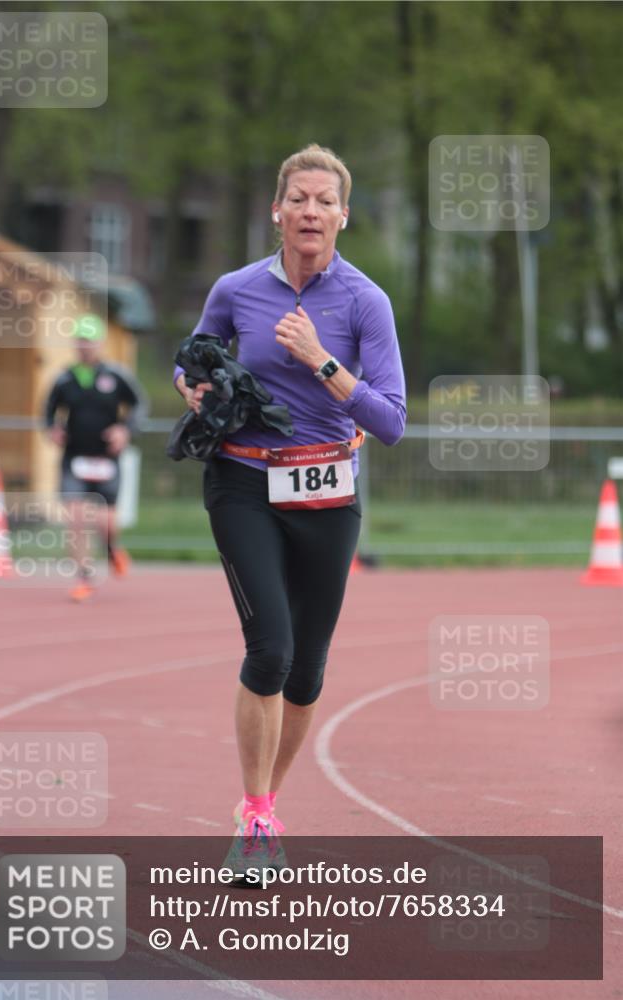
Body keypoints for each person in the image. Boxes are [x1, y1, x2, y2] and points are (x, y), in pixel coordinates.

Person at [174, 144, 406, 862]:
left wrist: (322, 361)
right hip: (243, 484)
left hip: (326, 490)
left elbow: (391, 421)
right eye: (297, 198)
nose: (310, 210)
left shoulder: (365, 300)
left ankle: (263, 801)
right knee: (269, 648)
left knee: (306, 669)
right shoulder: (236, 288)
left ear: (343, 216)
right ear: (276, 211)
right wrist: (191, 385)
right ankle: (255, 819)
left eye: (323, 200)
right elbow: (195, 355)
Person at [45, 314, 147, 602]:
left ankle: (113, 550)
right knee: (76, 520)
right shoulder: (64, 378)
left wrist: (125, 430)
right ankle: (84, 577)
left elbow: (140, 405)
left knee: (105, 524)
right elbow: (48, 412)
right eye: (80, 340)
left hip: (107, 460)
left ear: (100, 343)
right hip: (74, 459)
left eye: (89, 341)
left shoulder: (116, 375)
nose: (85, 346)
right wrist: (52, 430)